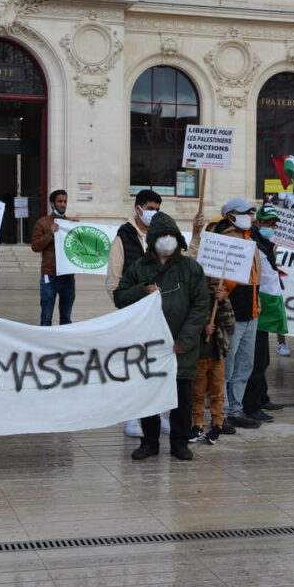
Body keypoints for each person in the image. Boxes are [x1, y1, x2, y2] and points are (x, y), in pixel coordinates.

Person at [114, 212, 210, 461]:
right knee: (148, 396)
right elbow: (120, 297)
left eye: (170, 235)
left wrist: (186, 340)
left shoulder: (191, 268)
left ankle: (180, 443)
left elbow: (201, 306)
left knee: (181, 397)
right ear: (152, 239)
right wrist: (141, 290)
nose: (166, 240)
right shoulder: (140, 268)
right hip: (150, 345)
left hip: (180, 346)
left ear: (177, 238)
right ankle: (150, 442)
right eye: (161, 236)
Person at [106, 189, 163, 439]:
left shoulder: (162, 236)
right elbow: (113, 280)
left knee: (157, 363)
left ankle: (158, 413)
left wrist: (194, 236)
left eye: (158, 209)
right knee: (133, 364)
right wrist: (127, 306)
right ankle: (131, 417)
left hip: (159, 312)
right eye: (151, 208)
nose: (154, 213)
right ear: (138, 209)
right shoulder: (123, 238)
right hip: (133, 312)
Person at [214, 198, 263, 429]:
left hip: (251, 311)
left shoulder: (250, 240)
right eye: (244, 212)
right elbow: (214, 276)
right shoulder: (222, 239)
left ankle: (235, 410)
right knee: (227, 366)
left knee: (244, 366)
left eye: (250, 212)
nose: (249, 216)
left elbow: (256, 277)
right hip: (230, 313)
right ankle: (220, 413)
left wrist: (258, 301)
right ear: (230, 215)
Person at [242, 204, 285, 423]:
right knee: (256, 360)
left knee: (264, 358)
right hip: (256, 305)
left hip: (266, 306)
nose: (271, 227)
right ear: (257, 223)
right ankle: (251, 405)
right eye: (267, 223)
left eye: (273, 224)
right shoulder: (253, 244)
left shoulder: (265, 244)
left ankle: (261, 396)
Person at [190, 281, 235, 445]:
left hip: (217, 354)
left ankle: (217, 425)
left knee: (217, 393)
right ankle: (198, 424)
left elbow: (230, 324)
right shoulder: (193, 295)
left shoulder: (220, 296)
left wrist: (223, 301)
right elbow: (187, 321)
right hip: (198, 354)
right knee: (197, 393)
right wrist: (203, 329)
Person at [30, 190, 76, 326]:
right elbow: (35, 246)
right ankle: (45, 345)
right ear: (52, 203)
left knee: (66, 317)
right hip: (49, 276)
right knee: (46, 317)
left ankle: (65, 344)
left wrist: (79, 229)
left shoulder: (70, 223)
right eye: (60, 201)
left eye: (65, 201)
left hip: (68, 277)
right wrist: (50, 233)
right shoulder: (42, 223)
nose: (63, 204)